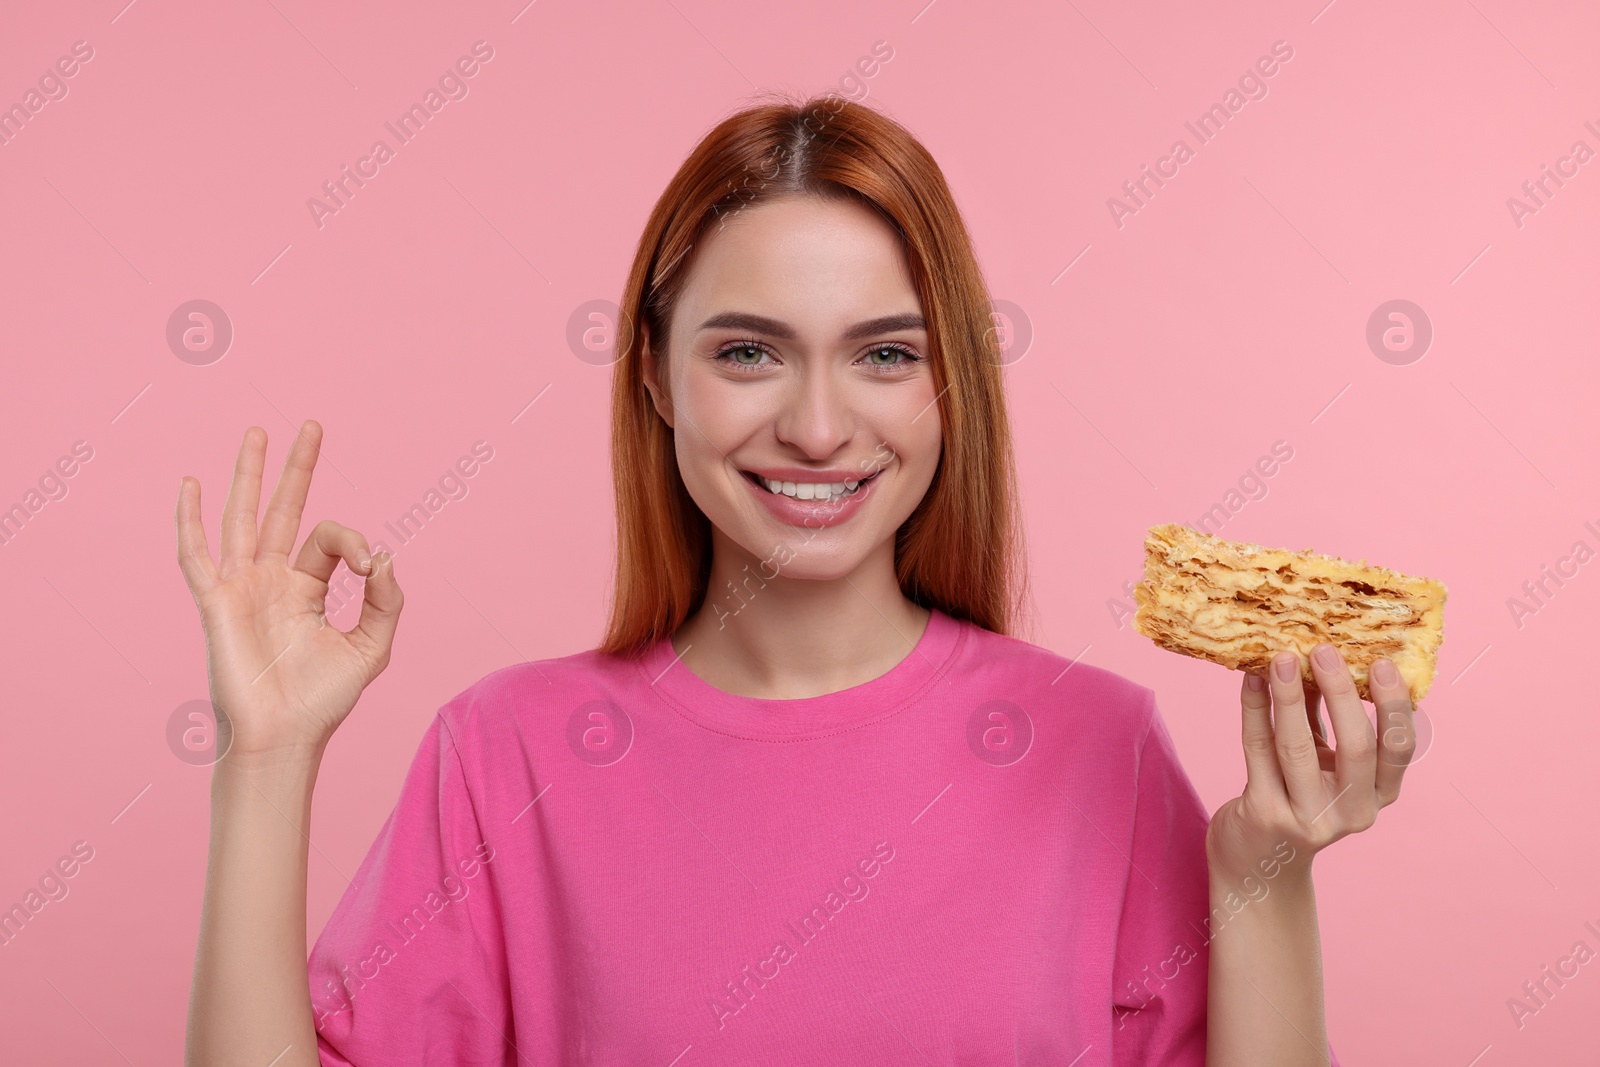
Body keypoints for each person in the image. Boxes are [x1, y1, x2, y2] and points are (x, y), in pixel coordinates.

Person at [178, 93, 1416, 1066]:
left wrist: (1264, 870)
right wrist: (266, 756)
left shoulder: (1099, 743)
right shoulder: (506, 754)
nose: (819, 426)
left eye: (883, 353)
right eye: (748, 352)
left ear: (949, 390)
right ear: (657, 376)